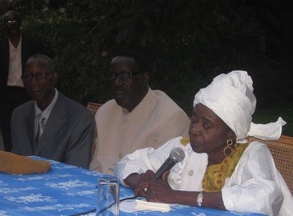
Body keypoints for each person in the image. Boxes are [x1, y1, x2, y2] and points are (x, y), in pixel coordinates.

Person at [114, 70, 293, 215]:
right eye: (194, 120)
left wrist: (175, 196)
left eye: (207, 125)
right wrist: (140, 181)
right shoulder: (182, 148)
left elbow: (264, 196)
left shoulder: (251, 153)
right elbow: (128, 162)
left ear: (230, 133)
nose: (194, 130)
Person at [89, 50, 190, 175]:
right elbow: (96, 166)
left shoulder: (170, 117)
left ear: (145, 78)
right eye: (112, 76)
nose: (117, 82)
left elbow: (166, 177)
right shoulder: (105, 112)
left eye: (125, 75)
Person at [11, 54, 93, 169]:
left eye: (40, 75)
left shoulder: (79, 118)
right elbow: (15, 164)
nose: (33, 81)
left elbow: (76, 172)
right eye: (28, 76)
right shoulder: (19, 115)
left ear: (54, 77)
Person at [0, 10, 51, 152]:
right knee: (7, 128)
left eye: (13, 20)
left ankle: (30, 157)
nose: (11, 23)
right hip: (6, 94)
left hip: (28, 92)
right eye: (7, 21)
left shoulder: (32, 43)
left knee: (29, 126)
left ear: (20, 22)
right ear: (3, 25)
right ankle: (9, 158)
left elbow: (45, 61)